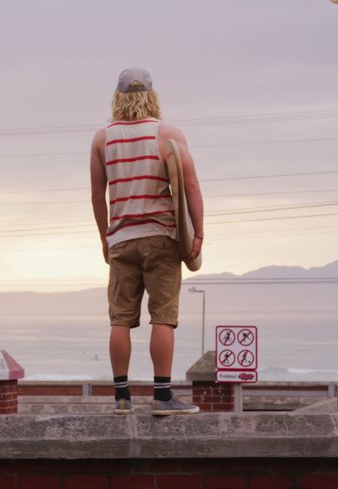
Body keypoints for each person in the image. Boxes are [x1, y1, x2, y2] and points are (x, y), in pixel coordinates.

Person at [90, 67, 204, 416]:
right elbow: (190, 187)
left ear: (118, 97)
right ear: (152, 96)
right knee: (162, 318)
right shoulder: (168, 134)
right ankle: (163, 395)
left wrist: (105, 238)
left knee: (120, 319)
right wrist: (198, 233)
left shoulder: (102, 139)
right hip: (161, 237)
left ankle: (122, 397)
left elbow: (98, 195)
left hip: (122, 239)